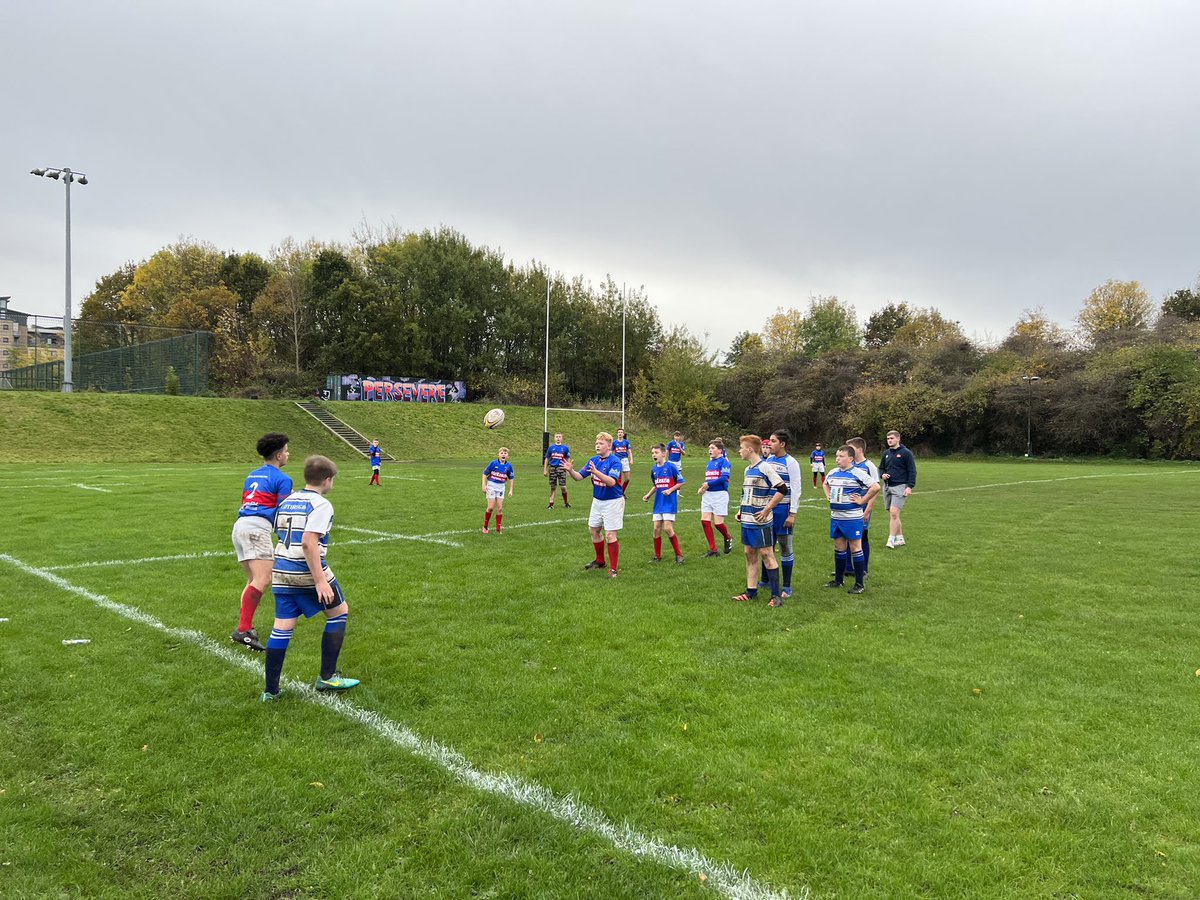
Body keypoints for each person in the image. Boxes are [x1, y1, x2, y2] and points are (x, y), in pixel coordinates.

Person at [262, 455, 359, 701]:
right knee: (339, 612)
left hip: (282, 570)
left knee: (282, 626)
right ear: (327, 481)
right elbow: (308, 542)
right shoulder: (321, 505)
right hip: (306, 570)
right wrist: (319, 580)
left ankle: (271, 691)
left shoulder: (288, 500)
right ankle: (327, 677)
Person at [230, 433, 293, 652]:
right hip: (257, 529)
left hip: (240, 526)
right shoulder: (283, 479)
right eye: (285, 450)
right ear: (278, 455)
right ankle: (243, 629)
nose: (287, 454)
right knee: (263, 579)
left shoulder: (252, 475)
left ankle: (245, 627)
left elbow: (248, 501)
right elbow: (283, 512)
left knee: (252, 580)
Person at [732, 434, 788, 607]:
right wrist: (741, 510)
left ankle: (776, 596)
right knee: (749, 554)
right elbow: (745, 492)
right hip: (747, 519)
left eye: (741, 448)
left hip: (761, 521)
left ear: (749, 449)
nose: (739, 451)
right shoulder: (748, 469)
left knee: (767, 554)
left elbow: (782, 489)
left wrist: (767, 509)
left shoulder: (765, 467)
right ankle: (751, 592)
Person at [564, 431, 625, 577]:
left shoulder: (615, 461)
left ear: (609, 446)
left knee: (610, 535)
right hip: (597, 501)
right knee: (594, 530)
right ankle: (600, 561)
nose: (597, 445)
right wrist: (571, 470)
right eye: (596, 443)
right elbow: (579, 477)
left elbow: (611, 482)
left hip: (613, 502)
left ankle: (614, 569)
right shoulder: (593, 460)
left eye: (601, 443)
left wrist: (596, 472)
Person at [824, 445, 880, 595]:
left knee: (856, 548)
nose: (837, 459)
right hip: (836, 517)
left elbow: (875, 487)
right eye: (836, 456)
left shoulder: (858, 473)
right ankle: (838, 580)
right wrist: (828, 495)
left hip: (852, 518)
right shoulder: (833, 472)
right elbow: (825, 483)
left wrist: (862, 501)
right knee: (839, 547)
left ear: (850, 458)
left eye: (841, 456)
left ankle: (859, 583)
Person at [764, 430, 804, 598]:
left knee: (785, 546)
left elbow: (796, 489)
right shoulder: (768, 460)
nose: (769, 444)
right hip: (768, 509)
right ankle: (765, 580)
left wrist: (792, 514)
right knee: (767, 545)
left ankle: (786, 586)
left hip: (783, 509)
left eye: (773, 441)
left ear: (782, 444)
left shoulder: (791, 463)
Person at [642, 443, 685, 563]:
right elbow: (656, 485)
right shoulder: (654, 469)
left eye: (656, 452)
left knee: (667, 528)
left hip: (669, 502)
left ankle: (679, 555)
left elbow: (681, 482)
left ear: (664, 453)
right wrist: (648, 495)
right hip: (658, 503)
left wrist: (670, 490)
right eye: (652, 453)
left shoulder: (671, 467)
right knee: (656, 529)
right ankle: (657, 556)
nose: (653, 455)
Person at [846, 436, 880, 575]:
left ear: (859, 450)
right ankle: (848, 568)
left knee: (862, 536)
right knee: (847, 536)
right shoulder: (850, 465)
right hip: (850, 507)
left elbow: (875, 489)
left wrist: (868, 510)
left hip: (863, 507)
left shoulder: (869, 466)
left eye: (851, 449)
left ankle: (864, 569)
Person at [879, 429, 917, 548]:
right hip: (887, 486)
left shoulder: (906, 453)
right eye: (888, 439)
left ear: (898, 439)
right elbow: (881, 468)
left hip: (900, 486)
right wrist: (882, 475)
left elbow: (912, 471)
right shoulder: (886, 453)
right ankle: (900, 538)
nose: (889, 441)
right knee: (893, 514)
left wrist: (909, 486)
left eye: (892, 438)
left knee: (894, 513)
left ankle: (891, 540)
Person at [698, 438, 734, 557]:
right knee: (705, 521)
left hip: (720, 495)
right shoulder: (709, 463)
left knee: (718, 524)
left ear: (720, 450)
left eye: (712, 448)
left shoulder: (724, 462)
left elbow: (724, 478)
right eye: (709, 448)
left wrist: (708, 484)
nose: (710, 450)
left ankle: (728, 537)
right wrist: (703, 487)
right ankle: (713, 550)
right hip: (708, 495)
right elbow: (709, 479)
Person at [481, 447, 515, 534]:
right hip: (491, 486)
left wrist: (511, 490)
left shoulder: (508, 466)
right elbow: (485, 474)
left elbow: (511, 478)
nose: (503, 454)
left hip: (501, 487)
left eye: (505, 453)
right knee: (490, 508)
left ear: (508, 456)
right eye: (502, 453)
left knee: (499, 509)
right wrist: (484, 485)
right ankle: (485, 526)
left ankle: (498, 529)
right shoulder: (493, 463)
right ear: (498, 455)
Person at [543, 432, 572, 509]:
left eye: (559, 437)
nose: (558, 438)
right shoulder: (551, 448)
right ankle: (551, 504)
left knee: (563, 487)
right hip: (552, 468)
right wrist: (545, 469)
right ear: (554, 438)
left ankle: (566, 503)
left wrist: (568, 470)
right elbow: (547, 459)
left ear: (562, 438)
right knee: (553, 487)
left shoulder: (565, 448)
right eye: (557, 437)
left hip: (561, 468)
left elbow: (567, 458)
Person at [612, 428, 633, 494]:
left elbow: (629, 451)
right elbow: (612, 452)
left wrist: (631, 459)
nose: (620, 433)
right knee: (618, 478)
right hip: (617, 460)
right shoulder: (614, 442)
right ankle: (618, 493)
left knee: (627, 479)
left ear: (623, 434)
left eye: (621, 432)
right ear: (617, 434)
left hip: (625, 460)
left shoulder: (626, 442)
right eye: (619, 432)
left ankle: (622, 491)